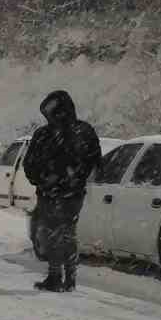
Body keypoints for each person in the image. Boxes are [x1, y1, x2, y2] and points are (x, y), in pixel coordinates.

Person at [23, 89, 103, 293]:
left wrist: (44, 180)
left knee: (55, 233)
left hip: (56, 192)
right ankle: (68, 277)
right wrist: (74, 178)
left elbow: (30, 163)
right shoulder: (83, 131)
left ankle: (56, 275)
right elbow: (95, 161)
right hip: (70, 192)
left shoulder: (46, 134)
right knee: (66, 232)